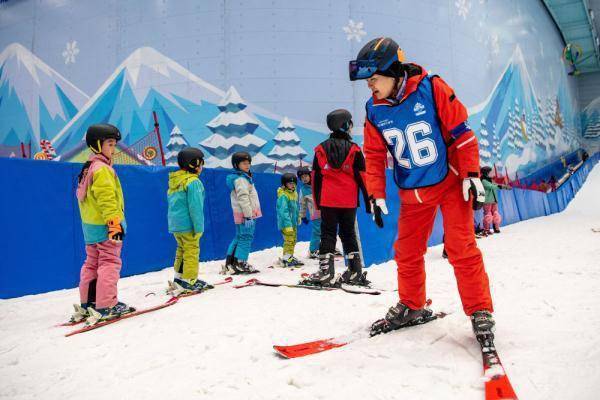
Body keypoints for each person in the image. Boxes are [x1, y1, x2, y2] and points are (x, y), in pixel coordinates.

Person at [352, 37, 494, 343]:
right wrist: (375, 194)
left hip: (450, 184)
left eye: (374, 80)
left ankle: (480, 309)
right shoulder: (374, 109)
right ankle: (412, 306)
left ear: (392, 71)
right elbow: (374, 155)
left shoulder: (432, 88)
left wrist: (470, 173)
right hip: (413, 191)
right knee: (406, 251)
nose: (370, 87)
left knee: (461, 248)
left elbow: (462, 133)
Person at [71, 124, 133, 324]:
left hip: (90, 228)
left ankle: (88, 303)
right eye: (110, 144)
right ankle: (106, 304)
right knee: (110, 262)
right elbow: (107, 200)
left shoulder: (88, 167)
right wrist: (115, 224)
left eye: (114, 144)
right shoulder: (103, 169)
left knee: (92, 263)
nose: (113, 149)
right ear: (97, 145)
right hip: (107, 226)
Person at [302, 109, 372, 287]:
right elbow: (363, 178)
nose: (351, 127)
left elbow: (316, 179)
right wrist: (368, 202)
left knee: (327, 234)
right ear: (344, 125)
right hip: (348, 201)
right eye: (349, 123)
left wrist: (318, 204)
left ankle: (326, 273)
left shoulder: (320, 150)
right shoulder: (355, 150)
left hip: (328, 201)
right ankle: (355, 271)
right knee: (348, 234)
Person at [166, 147, 212, 294]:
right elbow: (195, 208)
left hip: (176, 226)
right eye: (201, 164)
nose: (201, 167)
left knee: (181, 250)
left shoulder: (175, 181)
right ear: (194, 163)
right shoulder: (193, 182)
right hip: (188, 225)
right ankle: (189, 280)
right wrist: (199, 228)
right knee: (191, 251)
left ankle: (179, 278)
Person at [223, 151, 261, 274]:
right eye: (244, 163)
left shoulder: (243, 178)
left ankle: (231, 262)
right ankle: (241, 262)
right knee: (246, 237)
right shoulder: (241, 179)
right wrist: (248, 216)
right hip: (246, 214)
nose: (247, 165)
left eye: (248, 163)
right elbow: (243, 197)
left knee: (239, 236)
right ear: (236, 165)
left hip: (242, 213)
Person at [276, 173, 304, 267]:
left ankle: (289, 256)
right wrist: (288, 225)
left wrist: (298, 217)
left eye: (294, 183)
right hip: (286, 224)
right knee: (289, 240)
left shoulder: (294, 193)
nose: (292, 185)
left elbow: (295, 209)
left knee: (293, 240)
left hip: (293, 223)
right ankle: (286, 258)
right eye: (289, 183)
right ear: (284, 184)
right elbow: (283, 212)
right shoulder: (283, 196)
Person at [297, 166, 322, 258]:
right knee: (317, 231)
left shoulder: (317, 183)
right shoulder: (303, 190)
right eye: (302, 178)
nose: (304, 179)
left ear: (310, 175)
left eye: (305, 176)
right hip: (315, 212)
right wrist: (302, 216)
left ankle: (326, 247)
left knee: (327, 229)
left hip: (325, 209)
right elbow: (302, 204)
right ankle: (313, 250)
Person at [480, 166, 511, 234]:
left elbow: (495, 185)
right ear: (486, 173)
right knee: (488, 215)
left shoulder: (491, 180)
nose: (492, 173)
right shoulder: (483, 180)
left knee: (496, 214)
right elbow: (491, 186)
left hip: (494, 200)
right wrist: (500, 186)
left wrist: (504, 187)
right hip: (487, 201)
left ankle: (496, 227)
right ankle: (486, 229)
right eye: (490, 172)